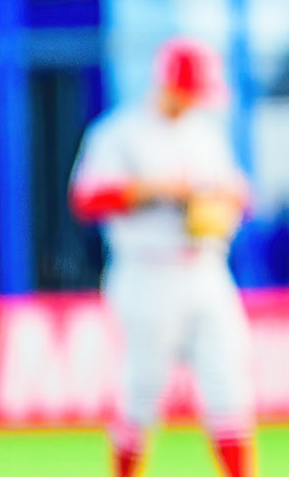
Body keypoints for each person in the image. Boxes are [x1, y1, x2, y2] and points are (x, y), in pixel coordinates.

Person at [70, 38, 255, 477]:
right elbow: (86, 198)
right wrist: (152, 189)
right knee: (142, 390)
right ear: (170, 84)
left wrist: (225, 199)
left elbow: (239, 193)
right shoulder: (119, 133)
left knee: (230, 385)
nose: (196, 100)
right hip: (145, 271)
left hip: (206, 268)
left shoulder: (204, 133)